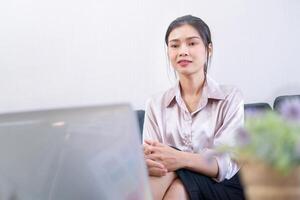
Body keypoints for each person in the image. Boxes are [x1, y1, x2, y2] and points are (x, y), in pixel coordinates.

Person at [143, 15, 245, 200]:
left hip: (221, 186)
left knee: (178, 183)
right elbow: (154, 157)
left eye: (191, 43)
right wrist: (147, 162)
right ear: (168, 52)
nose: (182, 51)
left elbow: (224, 166)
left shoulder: (230, 97)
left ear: (209, 49)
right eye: (175, 45)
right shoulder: (155, 103)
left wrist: (179, 159)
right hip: (170, 177)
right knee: (171, 179)